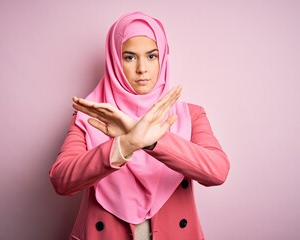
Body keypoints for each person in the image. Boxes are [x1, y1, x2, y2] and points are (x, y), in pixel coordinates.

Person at [49, 11, 230, 240]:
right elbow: (61, 181)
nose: (142, 68)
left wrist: (152, 140)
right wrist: (125, 145)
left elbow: (218, 172)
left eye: (152, 56)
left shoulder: (190, 115)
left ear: (162, 58)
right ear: (115, 60)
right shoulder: (92, 115)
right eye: (130, 57)